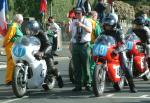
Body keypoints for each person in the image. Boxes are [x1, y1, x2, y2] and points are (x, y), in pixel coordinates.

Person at [100, 13, 137, 93]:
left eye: (108, 25)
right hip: (107, 50)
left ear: (113, 24)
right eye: (106, 25)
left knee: (124, 66)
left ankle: (132, 86)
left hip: (118, 51)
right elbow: (99, 42)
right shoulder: (102, 33)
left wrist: (117, 50)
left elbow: (124, 44)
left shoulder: (119, 32)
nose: (107, 26)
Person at [25, 20, 63, 88]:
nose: (30, 32)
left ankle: (59, 77)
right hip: (33, 53)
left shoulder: (42, 34)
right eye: (29, 30)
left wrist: (42, 52)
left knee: (51, 68)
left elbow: (49, 45)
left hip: (45, 52)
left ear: (36, 29)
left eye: (31, 30)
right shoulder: (28, 36)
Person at [67, 7, 92, 91]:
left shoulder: (87, 21)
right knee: (76, 66)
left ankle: (88, 83)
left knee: (86, 65)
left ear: (82, 13)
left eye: (79, 13)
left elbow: (89, 30)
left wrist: (82, 25)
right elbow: (68, 31)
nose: (77, 14)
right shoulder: (73, 22)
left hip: (84, 45)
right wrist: (68, 24)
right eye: (76, 13)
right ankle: (78, 85)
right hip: (75, 45)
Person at [3, 14, 24, 85]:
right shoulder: (14, 26)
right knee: (11, 63)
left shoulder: (16, 26)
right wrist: (4, 44)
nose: (22, 21)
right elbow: (8, 37)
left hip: (15, 47)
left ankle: (12, 78)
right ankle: (9, 80)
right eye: (22, 20)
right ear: (19, 20)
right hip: (11, 46)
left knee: (13, 63)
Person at [87, 11, 101, 78]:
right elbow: (99, 35)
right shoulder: (94, 23)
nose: (97, 18)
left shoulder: (82, 21)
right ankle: (91, 79)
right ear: (93, 16)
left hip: (81, 45)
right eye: (96, 16)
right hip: (92, 45)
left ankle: (83, 80)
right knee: (92, 64)